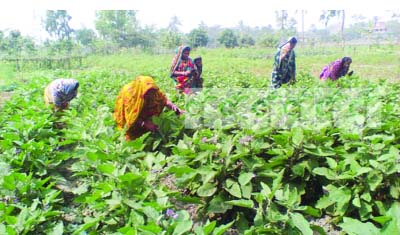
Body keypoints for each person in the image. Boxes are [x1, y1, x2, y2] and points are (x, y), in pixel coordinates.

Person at [113, 75, 183, 140]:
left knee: (149, 126)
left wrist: (173, 106)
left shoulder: (153, 90)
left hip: (143, 109)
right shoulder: (131, 96)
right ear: (142, 91)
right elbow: (131, 116)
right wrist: (144, 124)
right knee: (133, 133)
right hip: (131, 112)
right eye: (148, 93)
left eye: (152, 92)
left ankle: (148, 128)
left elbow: (163, 99)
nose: (151, 95)